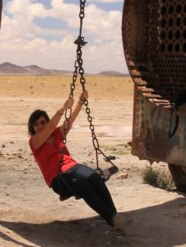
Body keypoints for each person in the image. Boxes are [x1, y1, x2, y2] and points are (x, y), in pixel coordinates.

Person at [28, 90, 120, 228]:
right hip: (58, 178)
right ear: (33, 128)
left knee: (95, 178)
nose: (40, 126)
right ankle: (110, 218)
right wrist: (62, 108)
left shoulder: (57, 133)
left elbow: (71, 120)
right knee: (82, 185)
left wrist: (80, 101)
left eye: (43, 122)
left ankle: (115, 215)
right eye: (36, 124)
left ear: (46, 122)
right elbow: (52, 126)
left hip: (73, 167)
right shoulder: (34, 141)